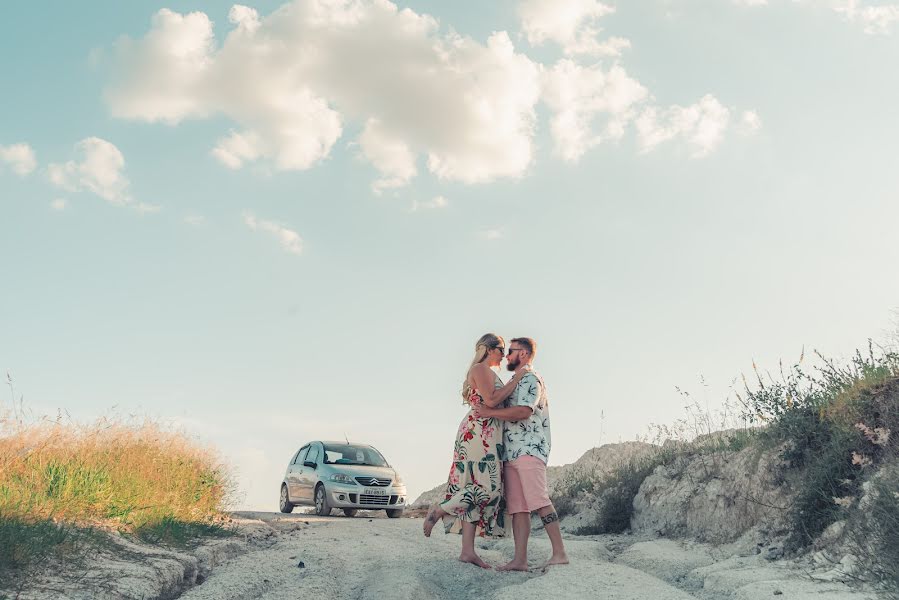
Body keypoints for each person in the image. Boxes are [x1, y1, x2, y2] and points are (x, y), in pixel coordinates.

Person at [422, 333, 530, 569]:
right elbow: (490, 400)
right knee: (488, 489)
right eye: (501, 349)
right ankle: (439, 510)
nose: (504, 355)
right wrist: (516, 379)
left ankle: (467, 551)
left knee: (475, 486)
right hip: (479, 434)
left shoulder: (488, 372)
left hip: (487, 434)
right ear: (490, 349)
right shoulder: (481, 369)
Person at [476, 337, 569, 571]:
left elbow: (524, 411)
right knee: (518, 508)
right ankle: (520, 560)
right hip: (511, 451)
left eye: (511, 351)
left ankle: (559, 553)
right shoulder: (516, 380)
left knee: (539, 501)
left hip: (529, 448)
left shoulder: (530, 378)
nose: (507, 355)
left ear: (524, 354)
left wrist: (489, 412)